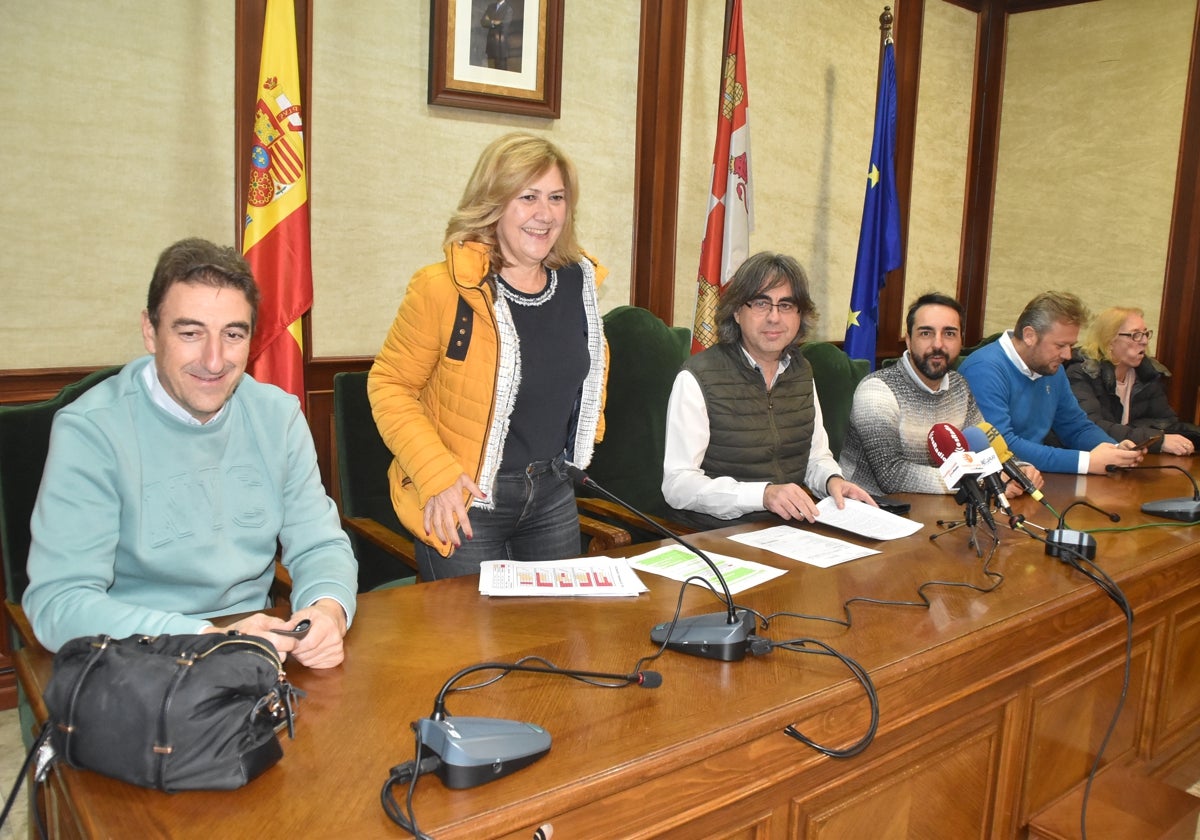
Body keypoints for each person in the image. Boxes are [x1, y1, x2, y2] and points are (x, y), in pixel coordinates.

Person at [23, 238, 357, 665]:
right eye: (190, 333)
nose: (214, 361)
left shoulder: (278, 416)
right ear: (150, 331)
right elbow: (60, 602)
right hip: (136, 658)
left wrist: (328, 610)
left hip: (254, 653)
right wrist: (204, 638)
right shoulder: (91, 432)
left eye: (233, 334)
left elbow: (319, 544)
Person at [369, 133, 607, 581]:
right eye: (528, 197)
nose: (545, 213)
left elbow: (585, 381)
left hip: (553, 496)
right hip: (463, 502)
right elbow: (389, 386)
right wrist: (435, 475)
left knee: (557, 640)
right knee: (470, 648)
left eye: (557, 198)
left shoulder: (580, 284)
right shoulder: (442, 287)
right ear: (493, 203)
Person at [661, 251, 875, 529]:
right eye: (762, 303)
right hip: (714, 534)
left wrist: (832, 481)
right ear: (737, 312)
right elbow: (678, 484)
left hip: (790, 531)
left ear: (800, 315)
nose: (774, 317)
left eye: (786, 305)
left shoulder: (801, 370)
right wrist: (762, 495)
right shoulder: (697, 377)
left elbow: (815, 457)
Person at [840, 292, 1043, 496]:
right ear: (909, 341)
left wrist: (1016, 468)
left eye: (949, 333)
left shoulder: (958, 385)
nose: (938, 344)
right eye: (926, 333)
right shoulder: (877, 391)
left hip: (937, 506)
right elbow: (892, 476)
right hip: (871, 508)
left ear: (961, 341)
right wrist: (982, 483)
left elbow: (983, 447)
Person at [957, 291, 1143, 474]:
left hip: (1037, 477)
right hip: (997, 483)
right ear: (1029, 335)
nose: (1067, 355)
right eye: (1060, 345)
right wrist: (1086, 462)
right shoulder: (984, 369)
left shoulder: (1051, 368)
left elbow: (1075, 426)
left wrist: (1114, 449)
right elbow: (1001, 446)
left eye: (1071, 345)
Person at [1065, 307, 1198, 456]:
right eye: (1136, 335)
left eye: (1146, 334)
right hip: (1090, 460)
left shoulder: (1146, 374)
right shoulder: (1082, 373)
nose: (1145, 341)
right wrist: (1155, 439)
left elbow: (1166, 422)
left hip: (1131, 459)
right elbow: (1090, 427)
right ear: (1110, 341)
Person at [480, 0, 513, 70]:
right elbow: (483, 21)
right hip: (490, 44)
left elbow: (504, 25)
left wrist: (490, 20)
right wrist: (493, 22)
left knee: (501, 71)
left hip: (500, 45)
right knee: (490, 70)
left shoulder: (508, 9)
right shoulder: (490, 7)